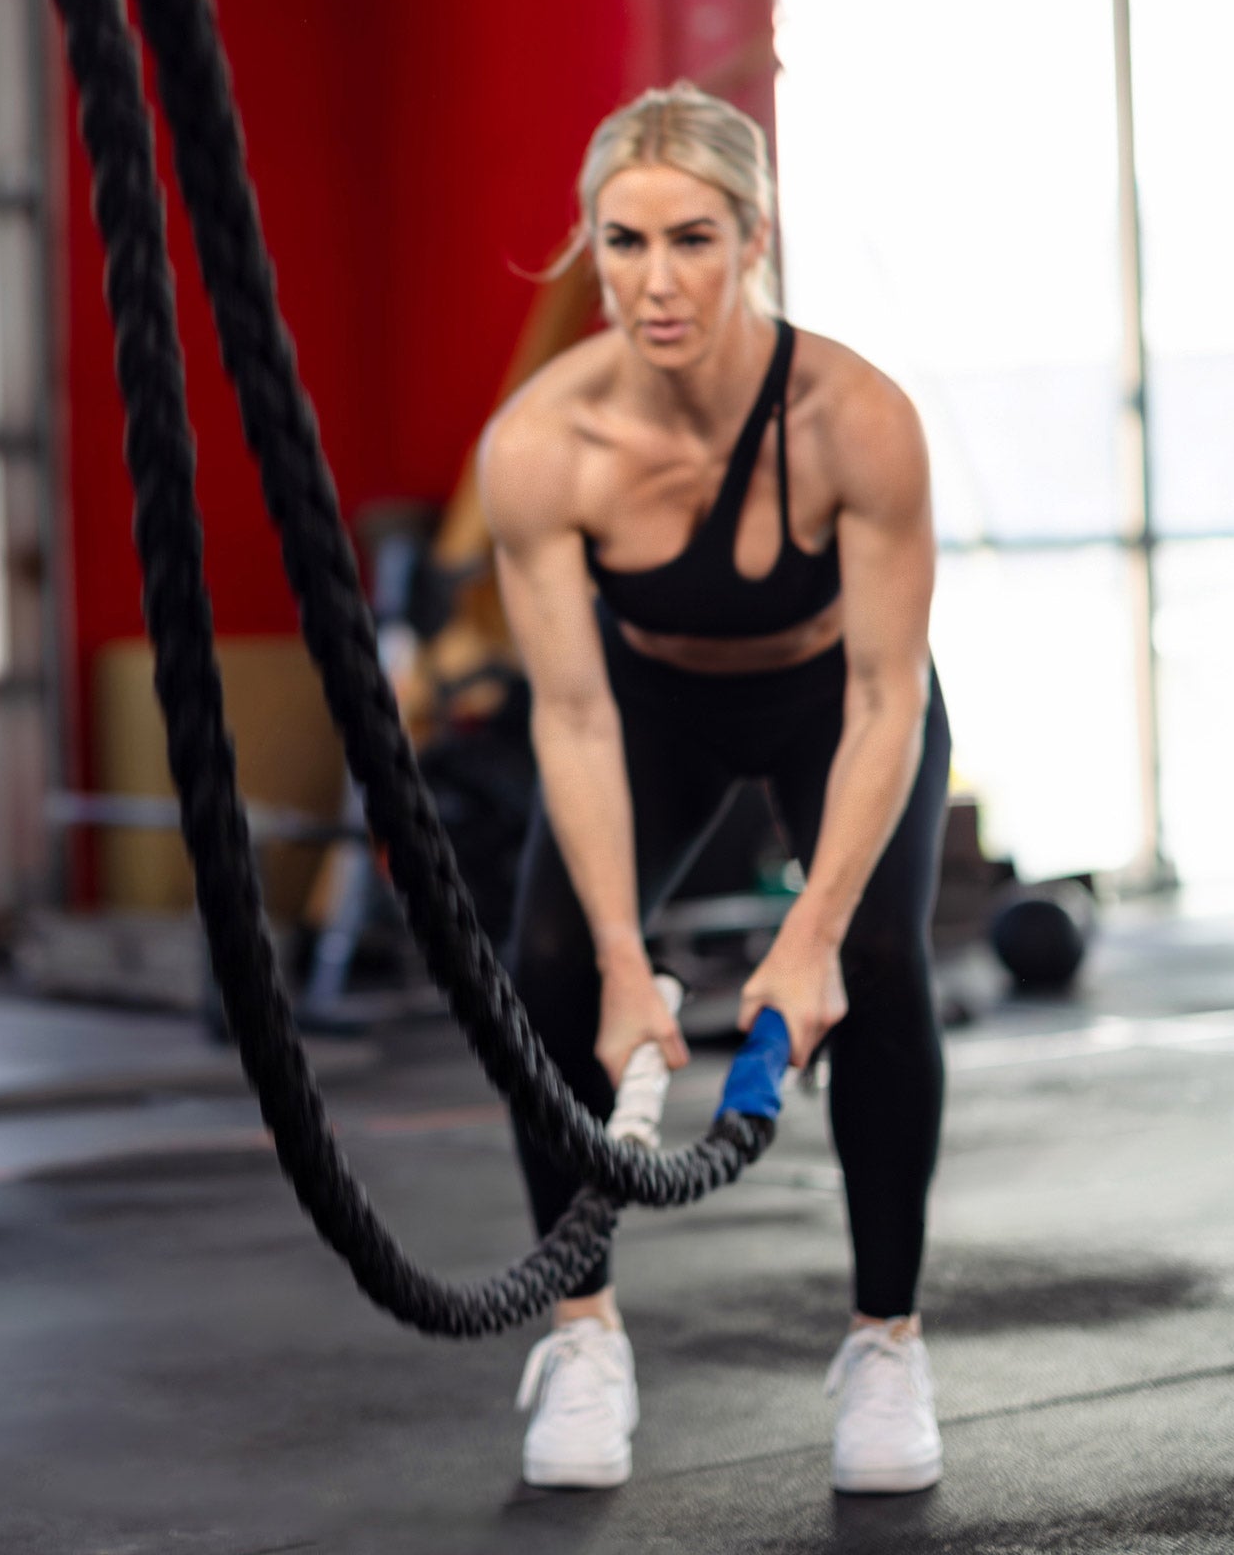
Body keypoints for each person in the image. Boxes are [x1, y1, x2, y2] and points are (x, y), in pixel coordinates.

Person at [477, 81, 949, 1495]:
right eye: (624, 243)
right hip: (651, 705)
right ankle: (582, 1333)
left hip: (837, 696)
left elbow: (888, 695)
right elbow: (571, 713)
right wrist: (628, 963)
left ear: (754, 237)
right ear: (591, 246)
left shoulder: (855, 417)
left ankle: (885, 1342)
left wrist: (810, 936)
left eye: (692, 239)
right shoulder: (543, 446)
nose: (657, 282)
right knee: (549, 963)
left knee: (878, 958)